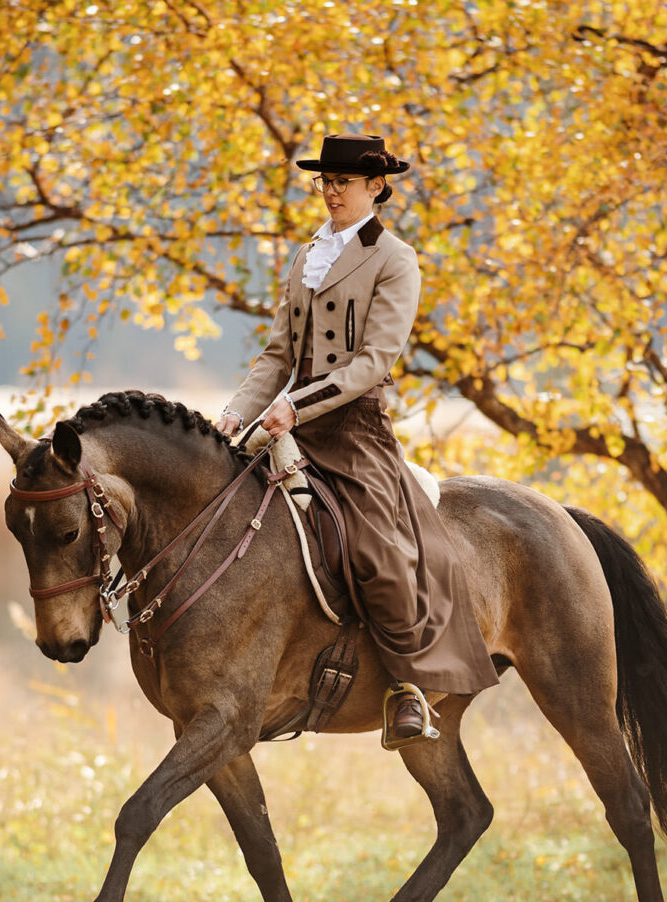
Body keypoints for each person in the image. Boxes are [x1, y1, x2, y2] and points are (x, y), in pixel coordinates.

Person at [214, 133, 499, 749]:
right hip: (283, 421)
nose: (331, 191)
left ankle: (407, 686)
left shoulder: (395, 258)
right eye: (326, 180)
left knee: (374, 549)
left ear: (376, 186)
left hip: (353, 429)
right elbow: (279, 355)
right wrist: (235, 414)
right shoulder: (306, 256)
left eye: (343, 181)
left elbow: (374, 361)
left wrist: (296, 404)